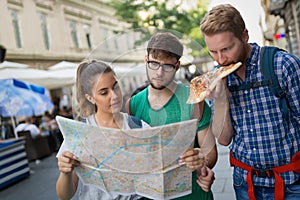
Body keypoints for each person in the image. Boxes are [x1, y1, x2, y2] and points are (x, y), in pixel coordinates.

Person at [56, 60, 206, 200]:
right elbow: (65, 195)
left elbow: (164, 173)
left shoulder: (138, 127)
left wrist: (192, 159)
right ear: (90, 98)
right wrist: (65, 172)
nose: (114, 96)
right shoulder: (79, 134)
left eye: (115, 86)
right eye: (104, 92)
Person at [200, 4, 300, 200]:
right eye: (213, 52)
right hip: (245, 184)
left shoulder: (283, 66)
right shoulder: (217, 78)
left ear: (244, 36)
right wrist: (221, 100)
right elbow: (224, 139)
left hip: (291, 182)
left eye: (227, 49)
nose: (220, 59)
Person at [126, 32, 218, 199]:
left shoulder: (194, 99)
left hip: (193, 194)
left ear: (177, 66)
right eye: (154, 64)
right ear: (146, 60)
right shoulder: (133, 104)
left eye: (167, 66)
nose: (159, 73)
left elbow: (211, 154)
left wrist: (200, 159)